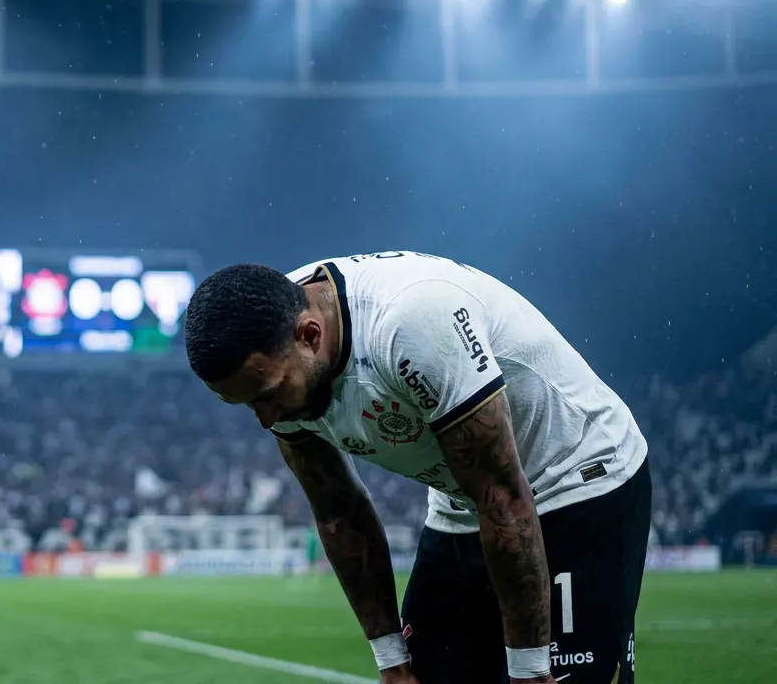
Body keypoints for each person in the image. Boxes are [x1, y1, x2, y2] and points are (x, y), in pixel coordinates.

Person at [183, 251, 651, 684]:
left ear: (310, 336)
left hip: (577, 479)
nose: (265, 419)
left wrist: (529, 669)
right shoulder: (273, 349)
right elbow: (338, 512)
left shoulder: (412, 322)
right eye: (245, 405)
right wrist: (392, 661)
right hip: (463, 501)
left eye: (266, 395)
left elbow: (503, 497)